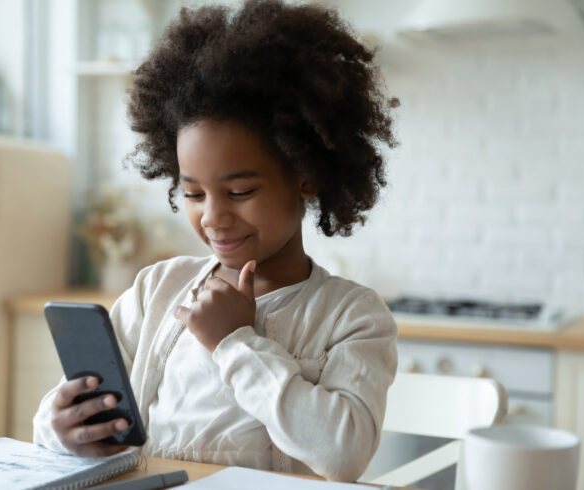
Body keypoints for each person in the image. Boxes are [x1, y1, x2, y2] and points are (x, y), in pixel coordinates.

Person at [33, 0, 399, 482]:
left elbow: (343, 454)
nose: (213, 216)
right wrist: (60, 428)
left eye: (240, 191)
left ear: (306, 176)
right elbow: (60, 423)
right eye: (192, 193)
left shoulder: (352, 318)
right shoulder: (156, 290)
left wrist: (235, 342)